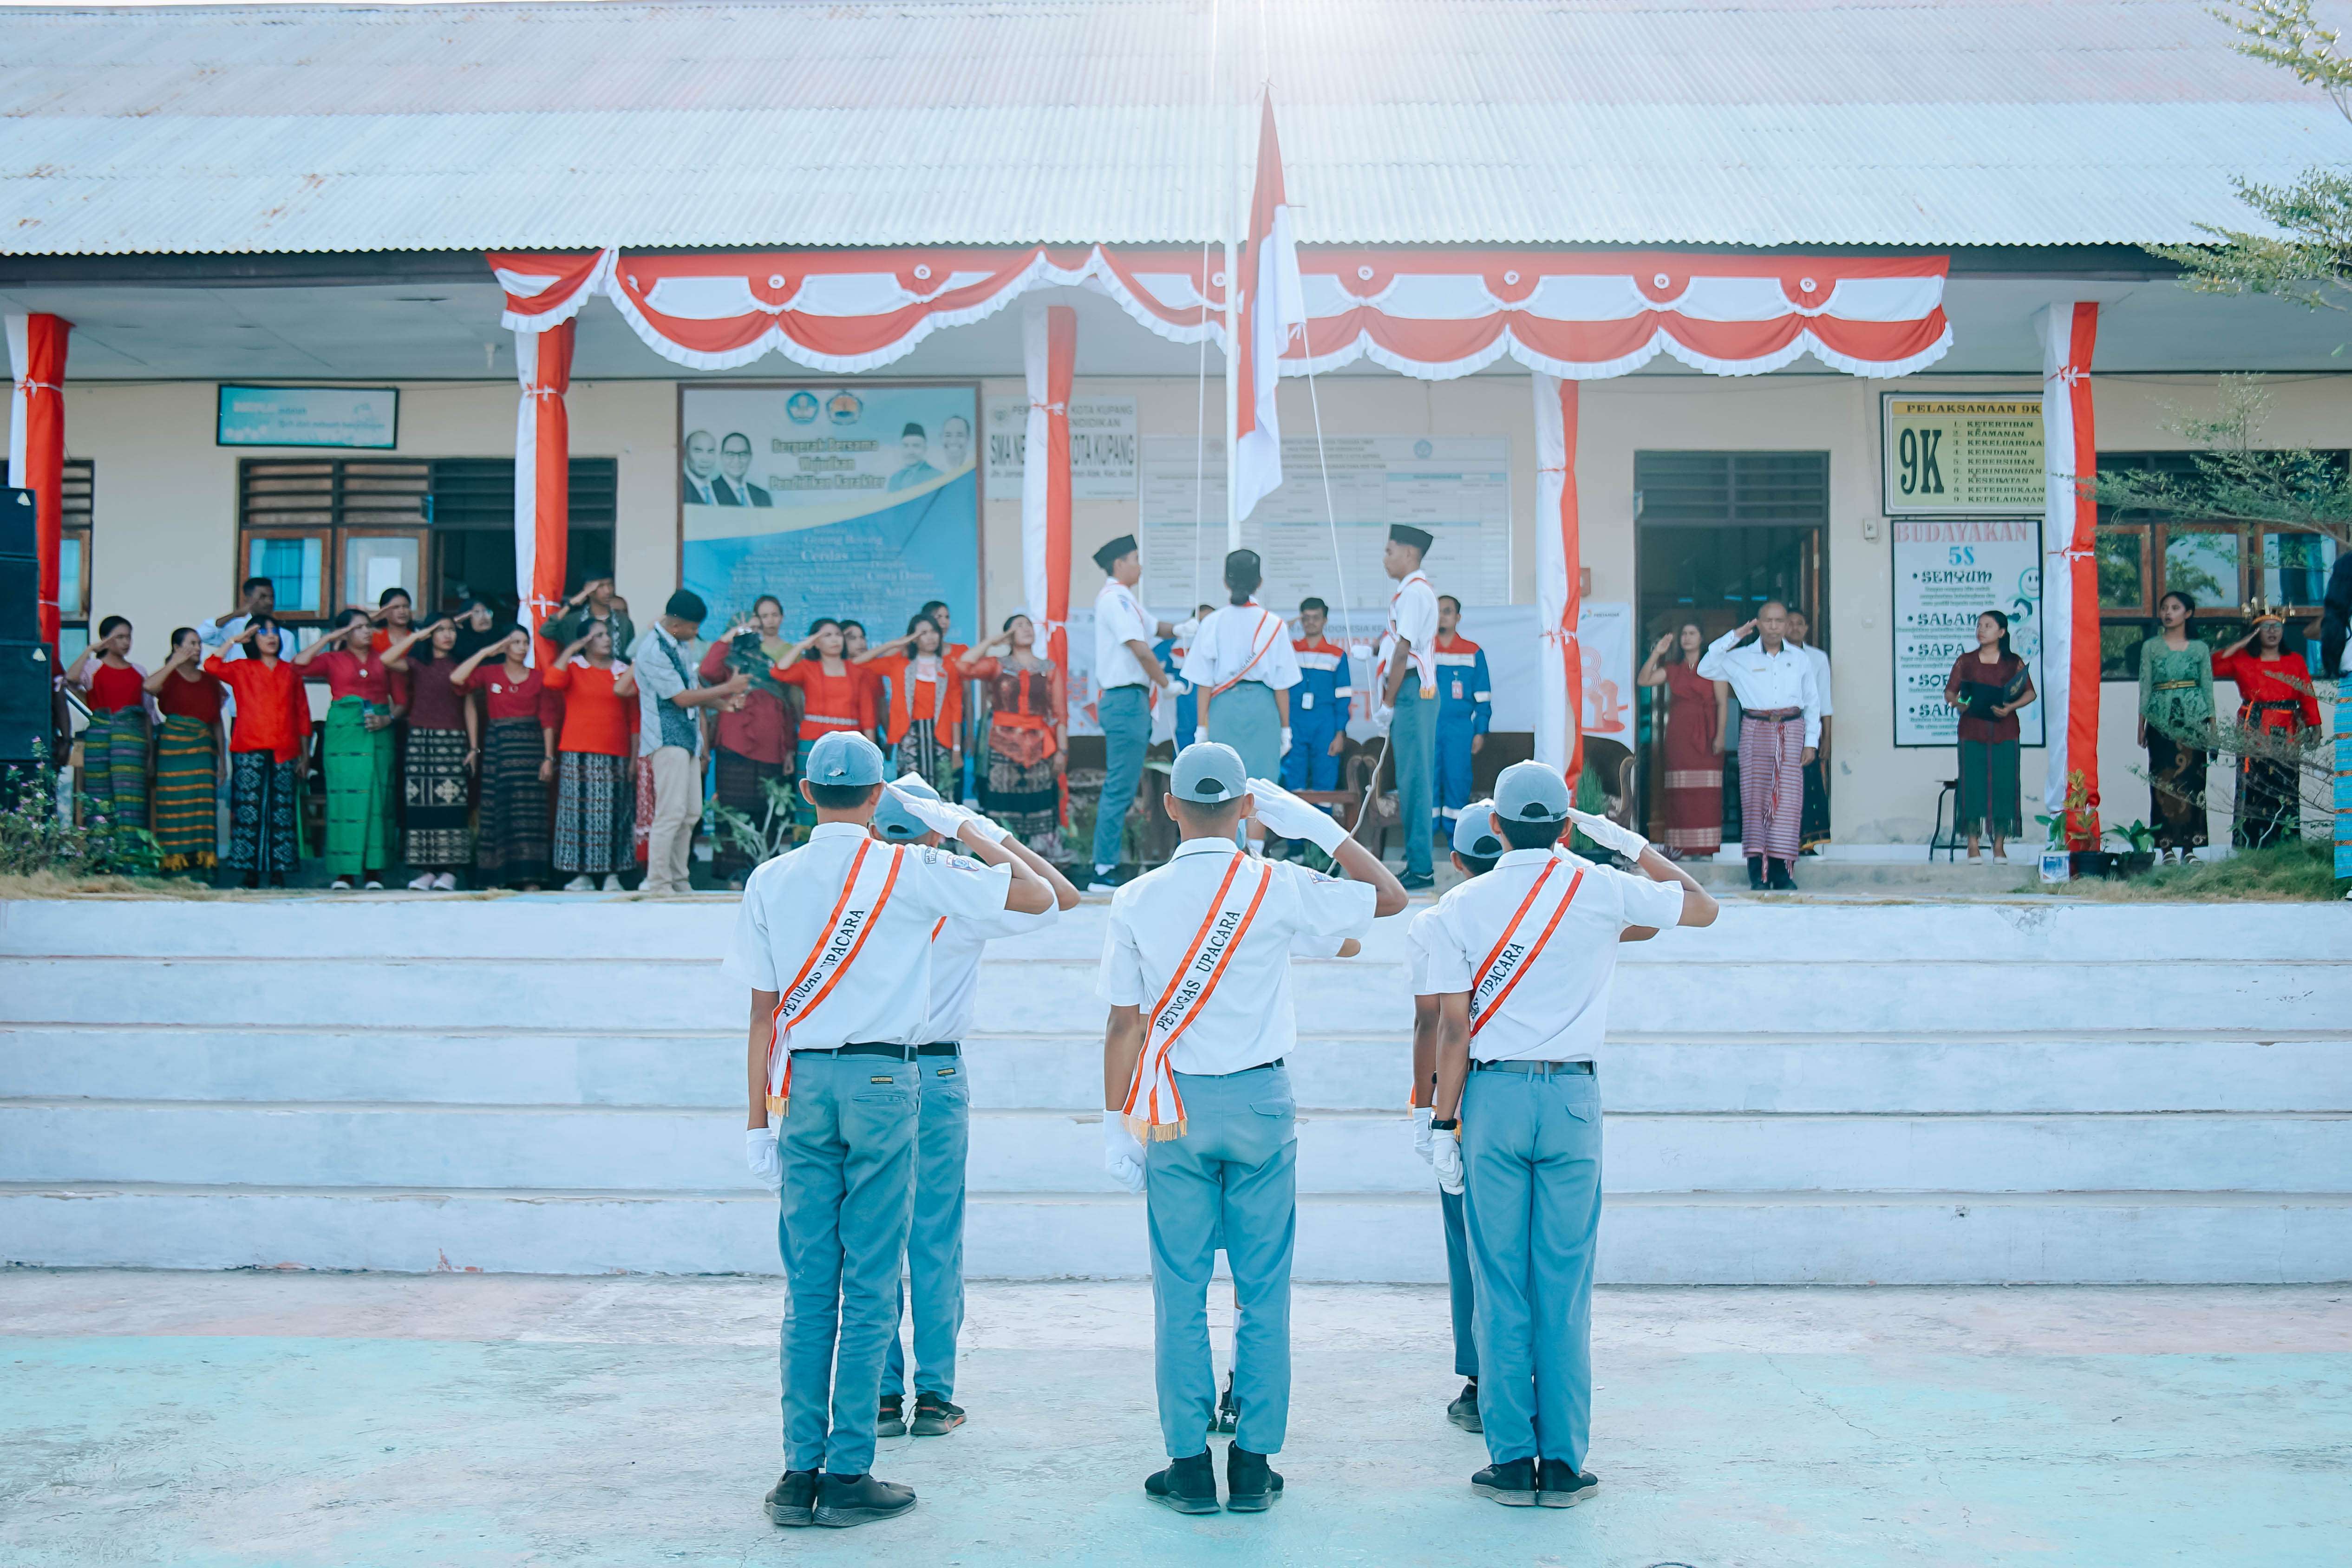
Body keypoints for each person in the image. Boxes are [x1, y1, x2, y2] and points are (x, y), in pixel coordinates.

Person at [732, 734, 1055, 1530]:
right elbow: (1040, 897)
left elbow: (763, 1014)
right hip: (884, 1083)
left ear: (807, 792)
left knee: (810, 1287)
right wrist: (962, 825)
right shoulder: (911, 870)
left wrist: (756, 1123)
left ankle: (797, 1474)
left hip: (803, 1087)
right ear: (878, 796)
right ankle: (847, 1472)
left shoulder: (770, 879)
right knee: (873, 1277)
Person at [1099, 743, 1404, 1514]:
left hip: (1172, 1107)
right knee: (1262, 1293)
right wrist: (1316, 826)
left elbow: (1124, 1026)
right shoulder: (1278, 885)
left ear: (1169, 805)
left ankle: (1188, 1468)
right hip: (1261, 1104)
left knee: (1180, 1292)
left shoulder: (1134, 899)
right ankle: (1253, 1466)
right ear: (1246, 808)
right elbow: (1390, 898)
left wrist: (1113, 1125)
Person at [1424, 762, 1718, 1507]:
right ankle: (1561, 1464)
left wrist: (1442, 1124)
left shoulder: (1460, 905)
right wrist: (1623, 841)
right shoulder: (1600, 887)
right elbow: (1702, 907)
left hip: (1492, 1097)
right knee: (1564, 1285)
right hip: (1573, 1101)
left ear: (1496, 826)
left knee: (1500, 1284)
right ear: (1564, 825)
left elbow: (1454, 1030)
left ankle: (1510, 1462)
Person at [870, 776, 1079, 1439]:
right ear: (934, 834)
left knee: (873, 1239)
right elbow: (1061, 896)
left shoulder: (855, 886)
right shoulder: (959, 886)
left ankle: (880, 1396)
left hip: (870, 1071)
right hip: (937, 1073)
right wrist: (982, 831)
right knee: (935, 1238)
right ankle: (934, 1398)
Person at [1407, 803, 1507, 1435]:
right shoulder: (1553, 906)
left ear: (1457, 861)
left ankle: (1478, 1381)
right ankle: (1530, 1378)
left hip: (1462, 1102)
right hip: (1530, 1087)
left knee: (1468, 1244)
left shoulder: (1441, 919)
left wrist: (1426, 1111)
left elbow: (1432, 1023)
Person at [1182, 551, 1300, 851]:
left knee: (1226, 783)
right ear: (1259, 582)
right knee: (1261, 785)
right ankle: (1256, 856)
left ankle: (1229, 854)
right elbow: (1282, 686)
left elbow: (1204, 683)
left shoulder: (1212, 623)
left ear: (1225, 581)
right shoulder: (1274, 624)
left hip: (1223, 707)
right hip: (1264, 707)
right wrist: (1286, 729)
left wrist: (1202, 727)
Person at [1696, 602, 1819, 890]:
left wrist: (1811, 743)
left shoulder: (1800, 659)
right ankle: (1758, 874)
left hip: (1792, 730)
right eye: (1768, 621)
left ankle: (1781, 873)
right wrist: (1735, 636)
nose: (1774, 626)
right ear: (1759, 624)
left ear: (1786, 625)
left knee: (1787, 804)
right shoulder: (1740, 657)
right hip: (1756, 729)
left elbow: (1812, 703)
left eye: (1780, 621)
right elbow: (1705, 667)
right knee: (1756, 801)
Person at [638, 590, 746, 895]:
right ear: (676, 625)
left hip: (688, 739)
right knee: (670, 813)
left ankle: (679, 879)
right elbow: (682, 698)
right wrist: (728, 687)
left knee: (690, 813)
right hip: (665, 739)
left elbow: (692, 688)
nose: (697, 633)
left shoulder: (679, 645)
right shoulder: (653, 650)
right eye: (694, 628)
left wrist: (724, 704)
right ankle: (659, 882)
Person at [1090, 534, 1176, 889]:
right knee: (1120, 788)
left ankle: (1105, 865)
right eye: (1135, 559)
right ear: (1119, 564)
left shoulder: (1127, 599)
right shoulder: (1114, 599)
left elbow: (1156, 628)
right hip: (1125, 700)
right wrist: (1166, 683)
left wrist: (1185, 628)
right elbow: (1140, 649)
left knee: (1123, 786)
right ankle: (1103, 869)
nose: (1140, 566)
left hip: (1132, 701)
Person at [293, 608, 400, 890]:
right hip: (343, 735)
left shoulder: (385, 659)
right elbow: (298, 666)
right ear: (345, 632)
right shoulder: (333, 659)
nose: (367, 632)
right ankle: (345, 873)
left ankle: (375, 871)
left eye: (369, 626)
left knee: (378, 798)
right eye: (359, 627)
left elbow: (402, 701)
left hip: (378, 731)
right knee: (344, 799)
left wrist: (387, 719)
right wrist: (330, 638)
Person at [203, 618, 309, 889]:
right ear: (252, 638)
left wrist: (305, 756)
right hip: (249, 748)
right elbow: (211, 666)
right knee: (248, 811)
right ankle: (249, 872)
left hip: (285, 749)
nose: (271, 636)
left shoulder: (291, 671)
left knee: (281, 812)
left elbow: (302, 714)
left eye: (275, 632)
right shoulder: (242, 668)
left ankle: (278, 872)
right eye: (263, 632)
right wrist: (233, 641)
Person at [703, 596, 801, 884]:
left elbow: (786, 709)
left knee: (766, 811)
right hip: (736, 748)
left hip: (772, 751)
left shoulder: (771, 664)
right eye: (749, 628)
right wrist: (728, 638)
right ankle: (735, 874)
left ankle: (763, 873)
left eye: (757, 629)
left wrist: (789, 750)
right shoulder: (729, 663)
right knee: (736, 810)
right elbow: (707, 671)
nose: (754, 634)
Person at [2213, 604, 2323, 849]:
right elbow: (2215, 664)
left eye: (2277, 627)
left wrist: (2314, 724)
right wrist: (2244, 641)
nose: (2272, 632)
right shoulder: (2243, 659)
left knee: (2285, 783)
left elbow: (2307, 694)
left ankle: (2285, 845)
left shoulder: (2295, 660)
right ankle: (2250, 844)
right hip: (2254, 729)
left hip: (2287, 728)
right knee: (2254, 783)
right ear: (2256, 632)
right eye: (2265, 627)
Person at [451, 628, 552, 890]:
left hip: (530, 751)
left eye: (525, 643)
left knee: (529, 815)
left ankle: (530, 878)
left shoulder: (538, 677)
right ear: (505, 646)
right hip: (499, 750)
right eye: (515, 642)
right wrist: (487, 652)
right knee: (498, 811)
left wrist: (548, 757)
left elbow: (547, 719)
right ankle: (496, 877)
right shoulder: (490, 673)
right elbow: (457, 679)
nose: (522, 647)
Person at [543, 624, 640, 890]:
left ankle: (612, 875)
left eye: (608, 634)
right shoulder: (574, 666)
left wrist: (634, 758)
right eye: (599, 636)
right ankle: (581, 875)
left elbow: (635, 719)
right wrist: (572, 649)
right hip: (578, 753)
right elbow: (551, 681)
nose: (607, 639)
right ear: (585, 641)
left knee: (614, 816)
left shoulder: (623, 671)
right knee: (578, 817)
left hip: (616, 754)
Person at [961, 614, 1065, 859]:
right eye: (1019, 626)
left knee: (1040, 802)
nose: (1026, 629)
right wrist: (992, 641)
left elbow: (1060, 713)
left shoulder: (1049, 668)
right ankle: (1002, 858)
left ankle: (1041, 860)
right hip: (1002, 745)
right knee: (1002, 803)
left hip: (1039, 746)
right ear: (1008, 635)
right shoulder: (998, 665)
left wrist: (1063, 750)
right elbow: (963, 666)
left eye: (1029, 625)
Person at [381, 617, 472, 889]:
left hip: (453, 740)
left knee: (451, 806)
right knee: (421, 807)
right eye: (440, 630)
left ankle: (450, 872)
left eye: (452, 630)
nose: (448, 635)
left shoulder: (461, 665)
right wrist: (417, 636)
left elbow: (469, 707)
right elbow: (386, 659)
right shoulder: (417, 664)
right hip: (421, 740)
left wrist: (474, 747)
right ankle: (427, 871)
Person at [1940, 610, 2036, 862]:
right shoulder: (1966, 661)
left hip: (2005, 731)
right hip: (1972, 730)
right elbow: (1950, 693)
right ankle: (1973, 844)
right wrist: (1958, 703)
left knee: (2004, 785)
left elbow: (2030, 693)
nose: (1981, 630)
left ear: (2002, 632)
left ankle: (1999, 846)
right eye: (1979, 625)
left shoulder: (2013, 662)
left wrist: (2010, 707)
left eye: (1988, 626)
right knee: (1973, 785)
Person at [1378, 524, 1441, 890]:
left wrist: (1388, 702)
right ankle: (1417, 859)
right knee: (1409, 777)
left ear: (1409, 554)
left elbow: (1403, 652)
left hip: (1415, 692)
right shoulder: (1409, 592)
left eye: (1390, 552)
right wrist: (1374, 651)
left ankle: (1421, 868)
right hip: (1411, 691)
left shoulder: (1415, 593)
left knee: (1415, 779)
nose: (1385, 559)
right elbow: (1396, 644)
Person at [2136, 592, 2215, 861]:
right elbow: (2145, 686)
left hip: (2194, 720)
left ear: (2188, 613)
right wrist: (2141, 724)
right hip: (2160, 719)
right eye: (2164, 608)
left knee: (2194, 781)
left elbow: (2207, 687)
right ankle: (2166, 847)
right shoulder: (2151, 647)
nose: (2168, 613)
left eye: (2175, 608)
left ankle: (2190, 848)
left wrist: (2213, 726)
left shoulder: (2200, 648)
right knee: (2162, 781)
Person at [1636, 622, 1724, 860]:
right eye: (1684, 634)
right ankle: (1681, 848)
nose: (1687, 638)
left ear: (1702, 638)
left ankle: (1706, 848)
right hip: (1679, 735)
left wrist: (1720, 736)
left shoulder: (1714, 668)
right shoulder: (1673, 669)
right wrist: (1657, 653)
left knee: (1706, 794)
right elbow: (1644, 680)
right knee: (1680, 793)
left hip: (1707, 734)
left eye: (1692, 633)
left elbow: (1722, 704)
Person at [144, 627, 226, 875]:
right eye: (192, 644)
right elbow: (148, 687)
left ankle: (203, 865)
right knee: (174, 805)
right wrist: (174, 663)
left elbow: (217, 722)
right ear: (177, 648)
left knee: (202, 808)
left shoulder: (210, 682)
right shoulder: (168, 676)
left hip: (202, 753)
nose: (198, 648)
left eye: (199, 643)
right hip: (173, 752)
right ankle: (173, 864)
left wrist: (223, 761)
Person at [857, 614, 965, 800]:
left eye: (934, 632)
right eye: (923, 633)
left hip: (941, 737)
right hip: (909, 736)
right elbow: (859, 661)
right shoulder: (898, 663)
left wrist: (957, 749)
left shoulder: (948, 667)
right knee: (911, 794)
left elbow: (956, 710)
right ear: (913, 638)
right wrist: (897, 644)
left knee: (944, 791)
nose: (930, 637)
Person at [65, 615, 151, 836]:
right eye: (119, 637)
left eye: (129, 637)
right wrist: (90, 650)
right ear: (105, 639)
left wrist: (150, 752)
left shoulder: (139, 672)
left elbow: (147, 715)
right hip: (99, 744)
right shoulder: (93, 668)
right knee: (100, 797)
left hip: (132, 747)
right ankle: (102, 850)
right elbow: (71, 679)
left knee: (131, 800)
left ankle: (130, 850)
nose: (126, 643)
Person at [1431, 595, 1492, 845]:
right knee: (1427, 782)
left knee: (1457, 781)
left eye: (1447, 612)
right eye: (1437, 611)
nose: (1442, 616)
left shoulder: (1473, 652)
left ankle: (1456, 843)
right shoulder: (1422, 650)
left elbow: (1483, 697)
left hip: (1459, 729)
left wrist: (1480, 731)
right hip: (1427, 728)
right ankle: (1423, 844)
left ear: (1458, 618)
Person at [1281, 596, 1351, 798]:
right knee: (1292, 779)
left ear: (1325, 621)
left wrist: (1340, 733)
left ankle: (1323, 818)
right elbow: (1268, 642)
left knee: (1325, 777)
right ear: (1300, 620)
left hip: (1325, 724)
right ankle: (1293, 821)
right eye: (1306, 618)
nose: (1311, 622)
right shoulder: (1290, 650)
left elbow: (1343, 697)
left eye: (1316, 618)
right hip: (1294, 721)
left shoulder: (1337, 655)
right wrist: (1285, 627)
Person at [1783, 609, 1834, 852]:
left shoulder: (1817, 658)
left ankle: (1807, 843)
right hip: (1778, 728)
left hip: (1808, 730)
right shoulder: (1771, 655)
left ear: (1807, 628)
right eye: (1790, 623)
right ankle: (1781, 842)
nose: (1795, 628)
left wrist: (1827, 738)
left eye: (1799, 624)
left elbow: (1824, 700)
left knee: (1807, 786)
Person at [541, 576, 637, 661]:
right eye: (601, 586)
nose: (608, 591)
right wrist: (571, 603)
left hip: (617, 675)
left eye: (610, 585)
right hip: (580, 675)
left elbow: (632, 657)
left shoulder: (624, 622)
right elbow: (546, 631)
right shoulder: (574, 620)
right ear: (589, 590)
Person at [716, 432, 773, 507]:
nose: (737, 461)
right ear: (721, 456)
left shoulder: (763, 495)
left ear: (750, 457)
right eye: (730, 454)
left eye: (743, 454)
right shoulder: (711, 491)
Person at [887, 423, 941, 492]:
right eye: (906, 446)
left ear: (925, 449)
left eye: (916, 446)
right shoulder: (895, 479)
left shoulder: (937, 477)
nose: (911, 452)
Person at [681, 429, 722, 505]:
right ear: (686, 453)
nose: (705, 459)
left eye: (711, 452)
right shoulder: (679, 488)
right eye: (698, 451)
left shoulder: (723, 490)